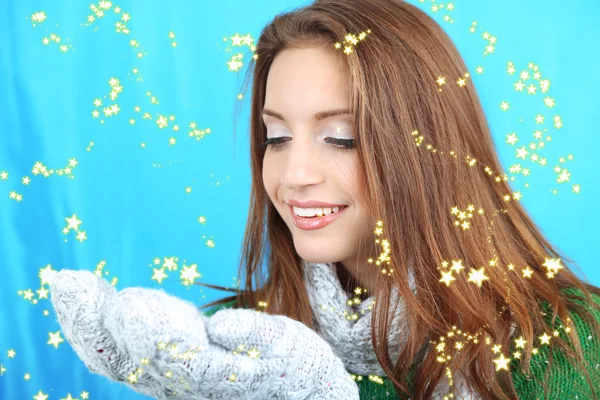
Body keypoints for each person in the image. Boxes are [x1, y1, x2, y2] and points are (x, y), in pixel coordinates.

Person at [50, 0, 600, 399]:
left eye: (341, 138)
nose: (295, 174)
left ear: (430, 150)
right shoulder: (231, 350)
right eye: (276, 138)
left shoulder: (568, 344)